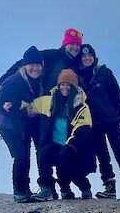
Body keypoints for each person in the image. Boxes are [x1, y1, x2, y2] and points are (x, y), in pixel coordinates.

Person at [78, 44, 120, 200]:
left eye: (90, 56)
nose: (87, 58)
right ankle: (109, 187)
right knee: (102, 156)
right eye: (84, 56)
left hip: (111, 120)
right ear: (81, 59)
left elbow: (117, 96)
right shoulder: (78, 76)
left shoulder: (104, 73)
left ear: (94, 57)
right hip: (93, 124)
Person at [31, 69, 96, 201]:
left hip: (73, 146)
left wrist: (70, 147)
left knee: (70, 170)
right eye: (62, 84)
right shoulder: (49, 101)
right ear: (59, 85)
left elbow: (82, 130)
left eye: (68, 85)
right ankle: (46, 189)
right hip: (54, 145)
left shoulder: (82, 107)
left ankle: (84, 188)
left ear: (73, 87)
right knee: (43, 153)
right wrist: (13, 105)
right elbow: (30, 106)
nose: (65, 87)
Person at [0, 46, 43, 203]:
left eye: (38, 65)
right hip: (8, 125)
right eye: (32, 65)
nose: (35, 68)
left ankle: (25, 189)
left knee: (25, 155)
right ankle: (19, 192)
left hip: (20, 124)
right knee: (21, 155)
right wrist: (24, 111)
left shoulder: (33, 80)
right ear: (25, 65)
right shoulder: (14, 81)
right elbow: (0, 104)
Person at [0, 28, 83, 94]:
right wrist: (4, 79)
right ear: (65, 45)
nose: (75, 47)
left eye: (77, 45)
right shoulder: (52, 55)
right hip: (42, 100)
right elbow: (26, 61)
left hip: (61, 104)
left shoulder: (78, 62)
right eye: (72, 43)